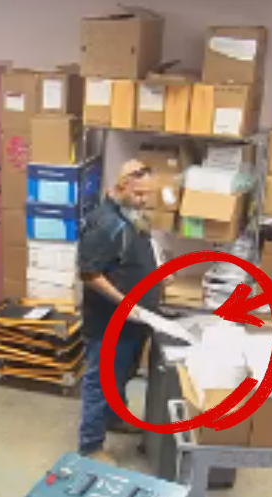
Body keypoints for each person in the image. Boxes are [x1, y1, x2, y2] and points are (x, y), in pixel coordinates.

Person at [75, 160, 161, 461]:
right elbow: (89, 273)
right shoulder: (105, 223)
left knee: (122, 373)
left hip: (133, 321)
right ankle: (90, 446)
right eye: (139, 194)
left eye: (147, 194)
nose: (143, 200)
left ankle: (114, 417)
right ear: (122, 185)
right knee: (101, 382)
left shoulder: (129, 215)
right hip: (109, 322)